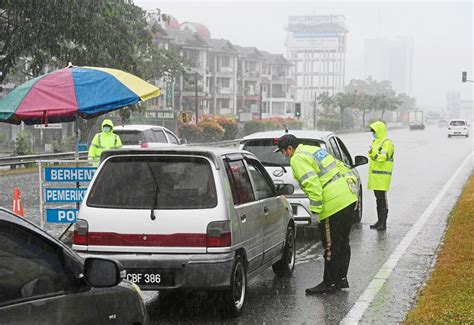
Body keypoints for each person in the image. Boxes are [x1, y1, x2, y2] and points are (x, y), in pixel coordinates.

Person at [274, 134, 358, 294]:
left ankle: (329, 283)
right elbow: (341, 167)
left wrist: (316, 211)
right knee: (342, 241)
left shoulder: (297, 159)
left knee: (330, 245)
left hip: (334, 202)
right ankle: (341, 279)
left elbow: (312, 185)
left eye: (283, 151)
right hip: (347, 197)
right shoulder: (314, 150)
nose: (284, 155)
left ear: (290, 148)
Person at [367, 121, 394, 231]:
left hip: (383, 177)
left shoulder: (387, 143)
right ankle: (379, 221)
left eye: (374, 131)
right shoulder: (375, 141)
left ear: (380, 131)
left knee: (382, 199)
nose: (373, 133)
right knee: (378, 199)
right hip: (375, 177)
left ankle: (383, 222)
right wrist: (372, 152)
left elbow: (381, 158)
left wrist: (372, 153)